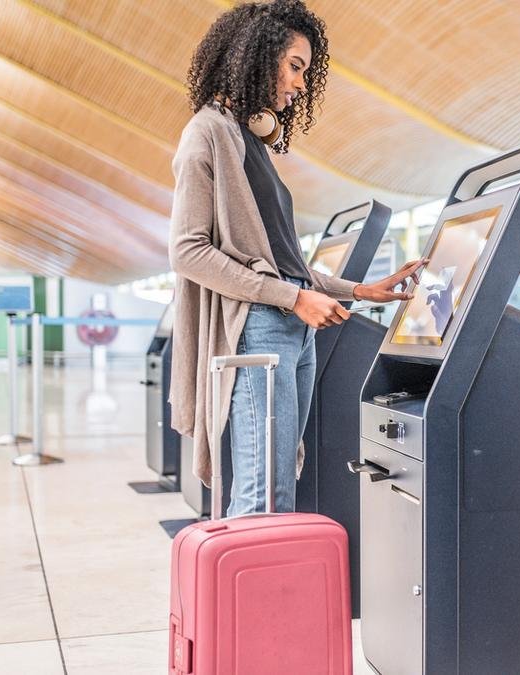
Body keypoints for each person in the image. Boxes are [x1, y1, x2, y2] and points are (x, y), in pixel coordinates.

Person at [168, 0, 425, 516]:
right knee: (263, 491)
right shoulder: (208, 132)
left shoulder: (252, 143)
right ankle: (246, 598)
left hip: (289, 326)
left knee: (280, 479)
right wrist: (292, 298)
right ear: (255, 58)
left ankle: (264, 595)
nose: (300, 84)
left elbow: (285, 262)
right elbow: (188, 251)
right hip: (261, 326)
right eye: (295, 66)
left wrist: (359, 290)